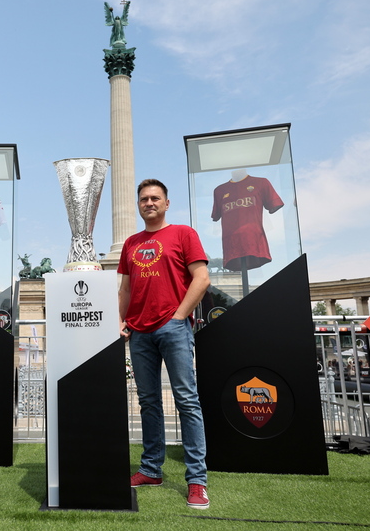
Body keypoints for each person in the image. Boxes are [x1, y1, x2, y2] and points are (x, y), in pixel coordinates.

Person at [117, 179, 211, 510]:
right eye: (143, 199)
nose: (149, 202)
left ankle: (197, 481)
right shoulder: (130, 243)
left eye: (155, 198)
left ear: (167, 203)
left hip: (173, 329)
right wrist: (123, 320)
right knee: (149, 403)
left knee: (187, 400)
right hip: (140, 333)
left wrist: (178, 316)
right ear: (138, 205)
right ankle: (151, 469)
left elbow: (201, 278)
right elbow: (125, 289)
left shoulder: (184, 234)